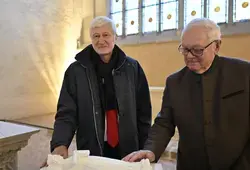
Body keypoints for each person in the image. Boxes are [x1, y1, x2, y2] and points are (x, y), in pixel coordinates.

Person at [123, 18, 250, 170]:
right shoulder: (175, 82)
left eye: (197, 50)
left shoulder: (244, 73)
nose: (189, 56)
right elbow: (165, 122)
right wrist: (151, 150)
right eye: (184, 49)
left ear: (216, 46)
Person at [43, 16, 152, 166]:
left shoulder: (133, 68)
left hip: (128, 146)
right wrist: (60, 143)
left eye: (106, 35)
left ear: (115, 36)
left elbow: (143, 113)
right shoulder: (76, 71)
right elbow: (66, 112)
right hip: (91, 147)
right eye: (96, 36)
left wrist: (146, 148)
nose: (101, 40)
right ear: (91, 39)